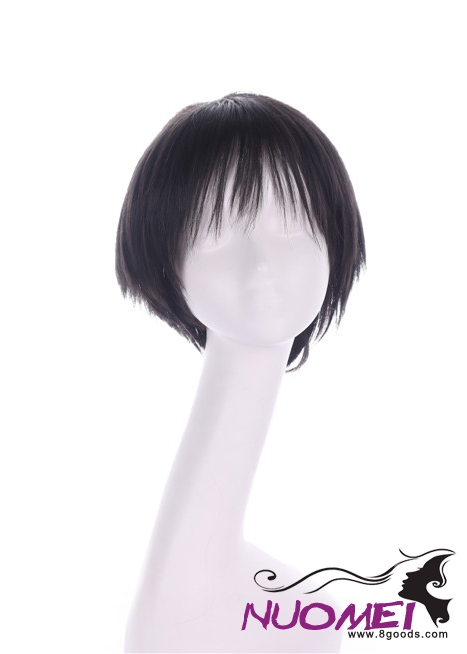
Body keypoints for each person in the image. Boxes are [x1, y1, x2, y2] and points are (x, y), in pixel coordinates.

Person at [116, 93, 365, 652]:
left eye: (292, 227)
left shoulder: (306, 619)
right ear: (166, 263)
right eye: (218, 234)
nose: (262, 265)